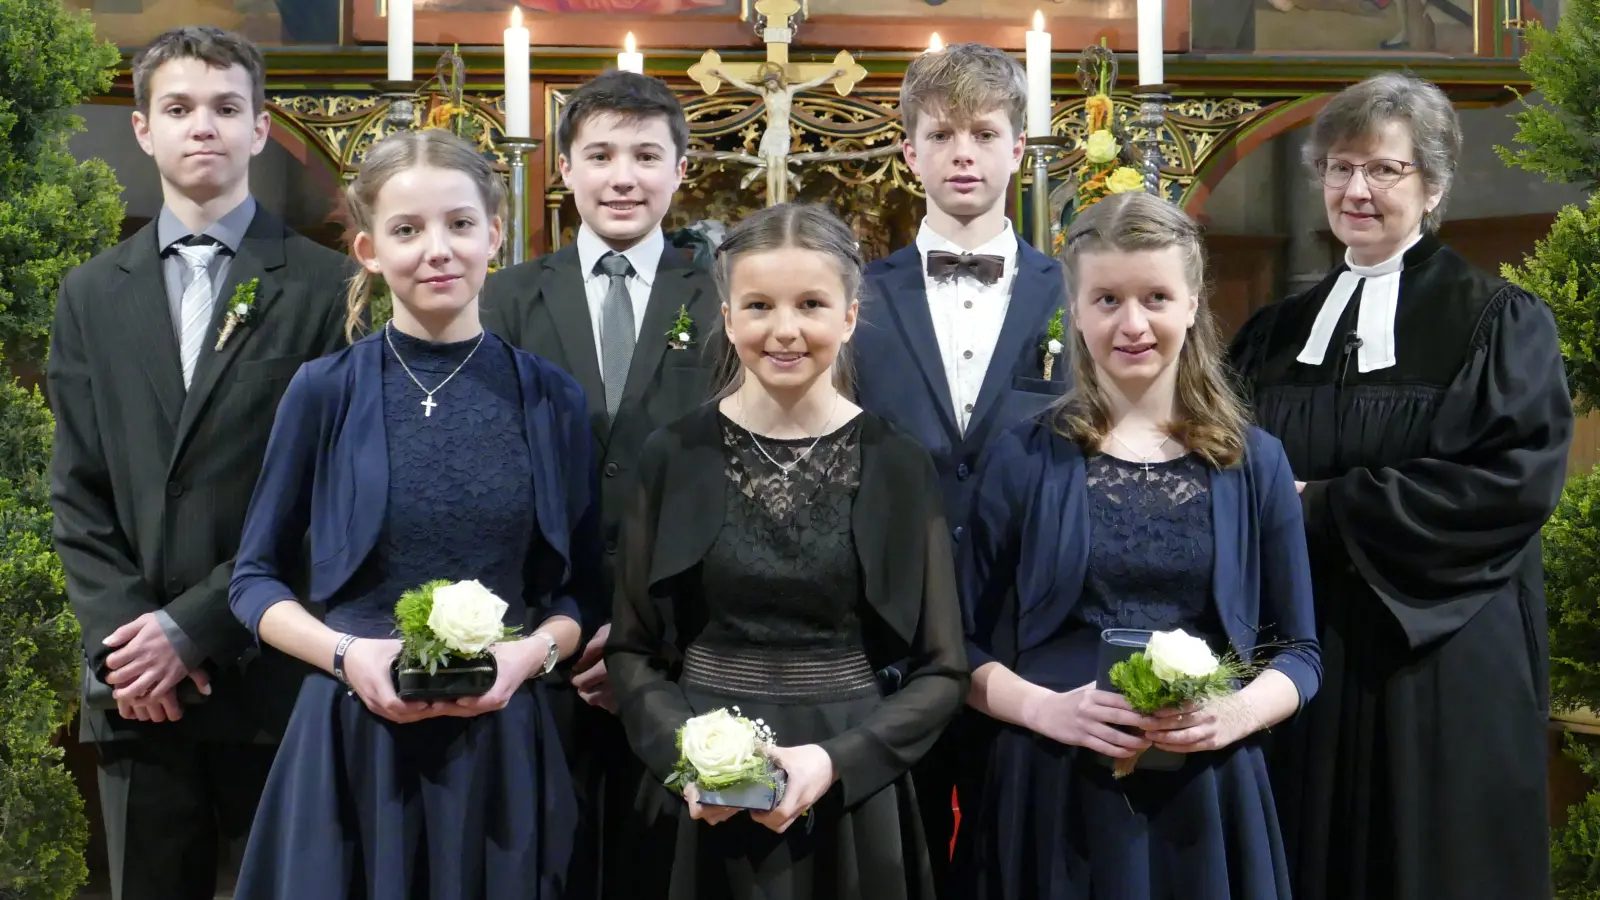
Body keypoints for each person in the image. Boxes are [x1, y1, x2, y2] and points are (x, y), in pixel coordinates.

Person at [226, 128, 602, 899]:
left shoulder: (551, 397)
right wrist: (345, 656)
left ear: (494, 235)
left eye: (459, 224)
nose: (438, 250)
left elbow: (582, 591)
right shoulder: (323, 391)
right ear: (369, 250)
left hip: (500, 746)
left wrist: (528, 657)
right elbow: (253, 581)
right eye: (407, 229)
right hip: (351, 740)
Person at [1229, 72, 1574, 900]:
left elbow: (1508, 483)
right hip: (1305, 646)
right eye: (1339, 167)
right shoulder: (1273, 333)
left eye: (1384, 169)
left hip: (1442, 652)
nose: (1356, 190)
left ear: (1435, 186)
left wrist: (1320, 505)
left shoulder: (1498, 320)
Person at [46, 25, 353, 900]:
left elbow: (329, 494)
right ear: (144, 129)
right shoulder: (90, 292)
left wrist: (194, 628)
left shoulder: (329, 287)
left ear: (261, 128)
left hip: (272, 670)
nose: (203, 126)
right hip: (138, 688)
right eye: (178, 108)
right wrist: (131, 645)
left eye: (225, 107)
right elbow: (77, 489)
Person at [955, 190, 1321, 899]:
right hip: (1053, 785)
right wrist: (1045, 710)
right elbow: (956, 649)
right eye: (1107, 300)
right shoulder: (1021, 457)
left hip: (1208, 794)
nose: (1132, 324)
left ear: (1192, 304)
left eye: (1156, 297)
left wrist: (1234, 715)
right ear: (1075, 309)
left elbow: (1300, 654)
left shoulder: (1257, 463)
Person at [605, 202, 970, 899]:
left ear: (849, 316)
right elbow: (631, 650)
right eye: (759, 306)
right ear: (728, 316)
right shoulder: (671, 454)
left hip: (850, 794)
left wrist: (835, 762)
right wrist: (688, 759)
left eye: (810, 304)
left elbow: (943, 669)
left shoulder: (898, 463)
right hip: (700, 793)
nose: (784, 330)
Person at [481, 68, 720, 900]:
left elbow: (732, 474)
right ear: (565, 168)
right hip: (534, 640)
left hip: (677, 645)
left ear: (680, 171)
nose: (624, 177)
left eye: (647, 156)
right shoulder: (505, 297)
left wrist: (649, 631)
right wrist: (555, 624)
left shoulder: (724, 299)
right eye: (601, 155)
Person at [854, 42, 1070, 886]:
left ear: (1019, 147)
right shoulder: (858, 296)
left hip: (1030, 625)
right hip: (892, 626)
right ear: (909, 152)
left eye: (983, 134)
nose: (963, 155)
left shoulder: (1074, 292)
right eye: (941, 136)